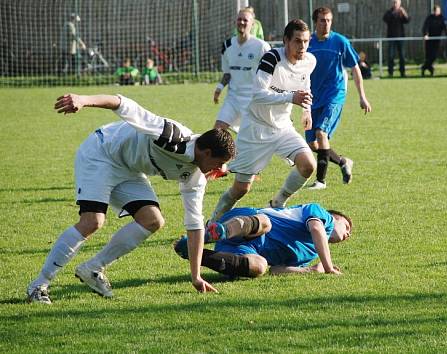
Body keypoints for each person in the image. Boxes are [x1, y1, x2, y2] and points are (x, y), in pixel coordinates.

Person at [26, 94, 236, 304]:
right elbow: (124, 104)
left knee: (152, 221)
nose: (220, 170)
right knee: (92, 222)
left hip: (129, 170)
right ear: (207, 152)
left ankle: (93, 268)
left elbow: (195, 224)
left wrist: (196, 276)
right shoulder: (172, 136)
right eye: (219, 163)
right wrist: (83, 100)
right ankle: (39, 285)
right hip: (101, 152)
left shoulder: (196, 176)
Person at [210, 19, 316, 222]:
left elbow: (306, 85)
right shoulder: (272, 57)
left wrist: (306, 111)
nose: (302, 46)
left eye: (305, 41)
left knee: (308, 165)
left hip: (283, 127)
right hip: (255, 129)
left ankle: (277, 203)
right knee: (241, 188)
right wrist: (291, 97)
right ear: (286, 40)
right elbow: (258, 94)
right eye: (297, 41)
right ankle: (214, 221)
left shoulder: (310, 60)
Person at [172, 203, 352, 277]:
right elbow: (316, 228)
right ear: (334, 217)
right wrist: (328, 267)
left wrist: (310, 269)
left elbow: (276, 270)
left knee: (260, 267)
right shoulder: (322, 216)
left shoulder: (311, 253)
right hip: (246, 223)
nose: (348, 234)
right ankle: (211, 233)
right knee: (266, 224)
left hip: (245, 249)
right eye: (347, 227)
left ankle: (193, 251)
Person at [305, 7, 372, 190]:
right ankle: (343, 161)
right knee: (313, 143)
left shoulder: (340, 42)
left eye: (328, 20)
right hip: (313, 97)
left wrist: (362, 97)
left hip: (334, 94)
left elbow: (355, 69)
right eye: (321, 20)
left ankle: (320, 181)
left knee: (321, 133)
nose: (325, 24)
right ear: (315, 22)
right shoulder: (307, 43)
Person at [214, 7, 270, 133]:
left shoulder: (262, 46)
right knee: (217, 131)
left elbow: (272, 74)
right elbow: (227, 73)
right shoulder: (227, 45)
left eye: (245, 20)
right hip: (232, 99)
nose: (242, 22)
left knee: (249, 137)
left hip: (252, 99)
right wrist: (219, 88)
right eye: (239, 19)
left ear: (253, 24)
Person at [421, 5, 447, 77]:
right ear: (433, 11)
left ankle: (425, 67)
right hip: (429, 40)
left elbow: (445, 27)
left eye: (437, 11)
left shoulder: (442, 18)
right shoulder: (429, 18)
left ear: (439, 11)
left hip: (437, 40)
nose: (436, 12)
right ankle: (429, 69)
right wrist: (425, 34)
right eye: (435, 11)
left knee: (434, 56)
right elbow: (425, 27)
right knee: (428, 56)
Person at [383, 0, 410, 77]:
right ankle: (390, 73)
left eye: (396, 2)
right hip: (391, 37)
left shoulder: (401, 12)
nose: (395, 4)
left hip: (400, 37)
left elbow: (407, 20)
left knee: (402, 56)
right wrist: (393, 13)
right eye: (394, 2)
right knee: (391, 56)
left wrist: (404, 13)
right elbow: (385, 19)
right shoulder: (389, 12)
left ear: (399, 3)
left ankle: (402, 72)